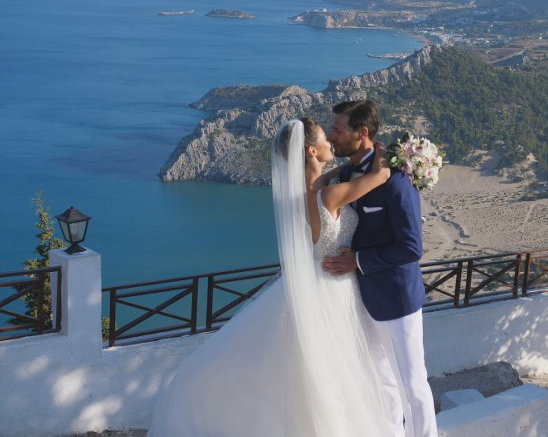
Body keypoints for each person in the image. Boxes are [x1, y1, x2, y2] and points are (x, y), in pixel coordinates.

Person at [148, 117, 392, 437]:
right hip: (332, 285)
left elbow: (322, 181)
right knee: (334, 368)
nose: (332, 142)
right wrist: (386, 150)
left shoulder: (303, 193)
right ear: (311, 150)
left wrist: (342, 166)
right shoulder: (329, 196)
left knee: (311, 366)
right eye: (325, 139)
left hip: (310, 282)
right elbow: (381, 175)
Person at [322, 100, 438, 437]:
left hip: (396, 299)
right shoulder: (347, 175)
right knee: (382, 383)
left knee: (412, 385)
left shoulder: (396, 181)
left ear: (361, 133)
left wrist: (357, 260)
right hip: (362, 300)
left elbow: (411, 247)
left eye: (338, 130)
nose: (331, 136)